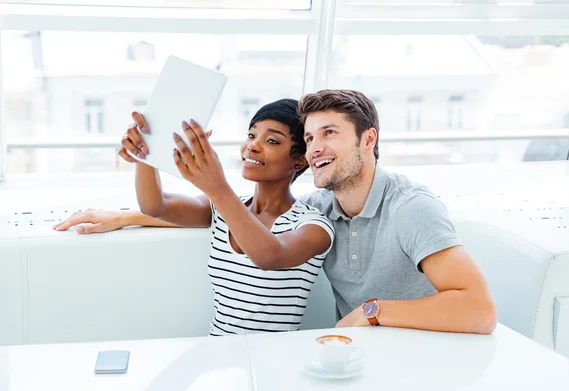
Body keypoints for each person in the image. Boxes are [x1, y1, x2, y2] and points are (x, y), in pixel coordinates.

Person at [55, 90, 497, 335]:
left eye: (330, 133)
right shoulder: (324, 202)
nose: (318, 145)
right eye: (311, 135)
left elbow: (269, 253)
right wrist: (143, 169)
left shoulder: (382, 211)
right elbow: (175, 208)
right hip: (343, 346)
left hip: (410, 348)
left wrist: (372, 310)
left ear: (368, 140)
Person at [59, 98, 335, 336]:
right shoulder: (223, 207)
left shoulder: (313, 226)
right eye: (251, 136)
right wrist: (147, 152)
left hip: (272, 363)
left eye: (272, 140)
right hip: (217, 356)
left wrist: (217, 186)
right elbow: (155, 205)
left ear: (299, 161)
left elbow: (269, 256)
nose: (252, 147)